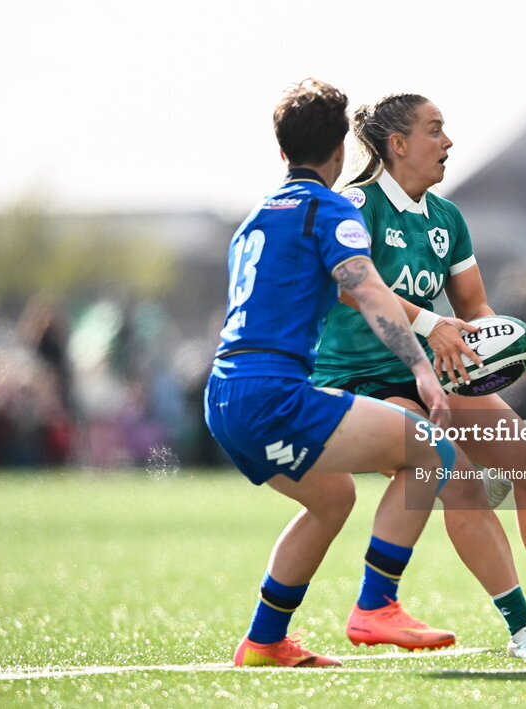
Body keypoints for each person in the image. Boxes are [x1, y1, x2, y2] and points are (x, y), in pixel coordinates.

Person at [312, 93, 526, 658]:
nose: (449, 142)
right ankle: (521, 626)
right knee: (453, 475)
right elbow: (348, 283)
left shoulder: (446, 217)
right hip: (354, 381)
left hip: (433, 376)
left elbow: (475, 305)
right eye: (435, 130)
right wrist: (435, 324)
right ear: (398, 144)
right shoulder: (356, 204)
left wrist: (499, 341)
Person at [204, 79, 461, 668]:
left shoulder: (254, 218)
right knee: (429, 451)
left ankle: (265, 640)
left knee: (332, 498)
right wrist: (421, 367)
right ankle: (376, 606)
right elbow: (367, 290)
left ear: (282, 151)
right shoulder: (329, 208)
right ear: (341, 151)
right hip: (272, 392)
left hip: (224, 394)